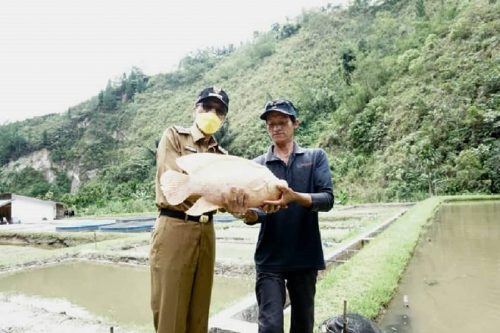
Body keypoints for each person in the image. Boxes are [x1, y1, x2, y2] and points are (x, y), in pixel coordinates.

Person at [150, 86, 247, 333]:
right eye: (207, 107)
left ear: (223, 119)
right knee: (171, 314)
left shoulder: (221, 155)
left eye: (219, 111)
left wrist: (241, 204)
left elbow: (232, 199)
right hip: (175, 226)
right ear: (196, 109)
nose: (212, 113)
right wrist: (221, 191)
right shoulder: (174, 137)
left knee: (198, 316)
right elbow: (173, 182)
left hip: (206, 232)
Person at [240, 98, 334, 333]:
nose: (276, 128)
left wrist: (296, 198)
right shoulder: (258, 166)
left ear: (295, 124)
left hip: (305, 256)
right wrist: (248, 215)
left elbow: (327, 199)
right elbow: (258, 211)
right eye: (271, 124)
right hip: (270, 258)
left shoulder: (314, 158)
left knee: (303, 325)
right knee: (270, 327)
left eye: (282, 122)